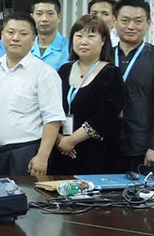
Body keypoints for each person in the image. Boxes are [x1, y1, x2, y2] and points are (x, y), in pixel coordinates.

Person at [0, 12, 65, 177]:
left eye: (23, 34)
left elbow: (53, 119)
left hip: (22, 154)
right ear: (2, 36)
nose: (15, 38)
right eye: (10, 32)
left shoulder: (44, 73)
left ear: (33, 39)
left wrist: (42, 156)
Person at [51, 15, 125, 174]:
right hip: (60, 149)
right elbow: (51, 107)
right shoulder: (64, 70)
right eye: (79, 36)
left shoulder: (111, 73)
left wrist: (71, 140)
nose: (83, 41)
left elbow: (105, 116)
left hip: (96, 153)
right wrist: (60, 139)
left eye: (91, 36)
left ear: (103, 40)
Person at [114, 0, 154, 172]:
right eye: (125, 20)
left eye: (138, 21)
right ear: (114, 22)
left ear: (148, 23)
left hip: (143, 148)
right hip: (108, 145)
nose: (131, 26)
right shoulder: (106, 56)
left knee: (143, 190)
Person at [30, 0, 69, 70]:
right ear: (32, 17)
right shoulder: (25, 48)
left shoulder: (70, 48)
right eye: (39, 14)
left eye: (50, 14)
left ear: (59, 17)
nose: (44, 19)